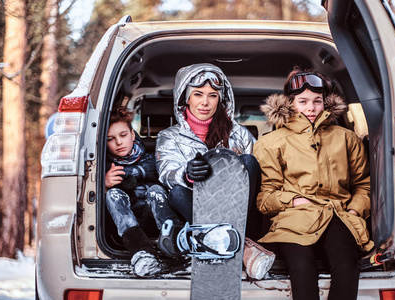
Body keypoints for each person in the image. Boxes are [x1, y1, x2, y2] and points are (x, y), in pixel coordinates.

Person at [253, 67, 374, 299]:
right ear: (290, 103)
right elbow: (265, 197)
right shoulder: (270, 143)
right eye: (303, 101)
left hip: (338, 215)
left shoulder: (346, 138)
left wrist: (355, 210)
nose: (311, 108)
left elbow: (363, 184)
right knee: (302, 269)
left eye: (317, 101)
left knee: (347, 267)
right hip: (293, 219)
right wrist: (294, 200)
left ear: (325, 103)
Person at [155, 63, 275, 279]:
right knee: (176, 193)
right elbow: (167, 171)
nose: (205, 102)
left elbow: (264, 172)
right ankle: (240, 247)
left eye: (212, 95)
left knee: (247, 160)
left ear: (220, 99)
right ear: (186, 97)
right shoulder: (169, 137)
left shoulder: (239, 133)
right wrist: (187, 174)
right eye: (198, 94)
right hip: (200, 211)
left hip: (245, 217)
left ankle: (227, 238)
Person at [105, 107, 181, 277]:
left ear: (132, 134)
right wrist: (105, 185)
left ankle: (176, 243)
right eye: (111, 139)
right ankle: (143, 253)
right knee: (113, 195)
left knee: (155, 190)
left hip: (152, 219)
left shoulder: (154, 157)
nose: (118, 142)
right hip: (127, 228)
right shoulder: (103, 166)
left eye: (123, 135)